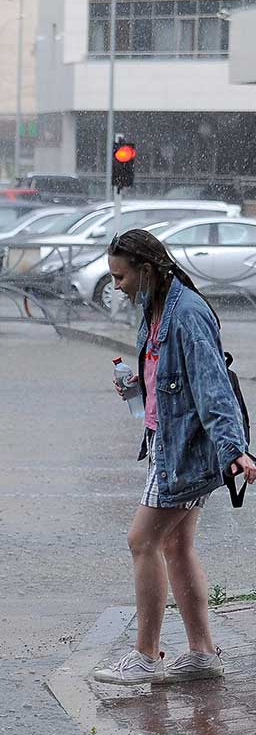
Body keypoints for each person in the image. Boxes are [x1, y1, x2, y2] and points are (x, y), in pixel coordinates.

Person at [92, 229, 256, 685]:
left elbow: (212, 385)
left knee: (141, 540)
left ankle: (146, 655)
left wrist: (234, 451)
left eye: (120, 276)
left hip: (183, 450)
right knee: (174, 546)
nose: (117, 285)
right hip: (170, 442)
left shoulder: (187, 314)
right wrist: (136, 388)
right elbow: (169, 375)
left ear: (146, 269)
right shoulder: (156, 306)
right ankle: (202, 654)